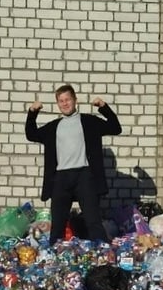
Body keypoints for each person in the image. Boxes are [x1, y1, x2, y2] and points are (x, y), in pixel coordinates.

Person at [25, 84, 122, 244]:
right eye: (61, 101)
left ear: (75, 100)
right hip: (61, 178)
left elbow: (115, 128)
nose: (65, 103)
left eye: (68, 99)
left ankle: (103, 252)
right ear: (58, 104)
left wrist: (104, 107)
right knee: (58, 223)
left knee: (93, 220)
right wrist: (32, 112)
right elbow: (31, 134)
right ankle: (54, 253)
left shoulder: (89, 121)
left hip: (85, 176)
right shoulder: (54, 127)